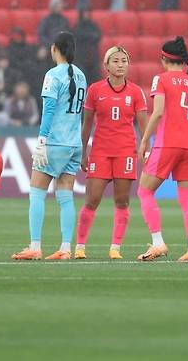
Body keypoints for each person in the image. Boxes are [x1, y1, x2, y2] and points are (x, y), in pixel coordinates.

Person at [136, 36, 188, 261]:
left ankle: (158, 243)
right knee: (186, 199)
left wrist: (144, 140)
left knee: (145, 191)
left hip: (167, 143)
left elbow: (158, 111)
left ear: (164, 59)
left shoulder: (160, 80)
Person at [11, 31, 87, 260]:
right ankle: (65, 248)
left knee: (37, 193)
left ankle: (35, 246)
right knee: (65, 196)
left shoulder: (53, 75)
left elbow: (49, 110)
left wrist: (42, 141)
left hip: (55, 142)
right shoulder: (81, 75)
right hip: (75, 143)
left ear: (54, 48)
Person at [75, 46, 147, 260]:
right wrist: (83, 152)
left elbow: (143, 124)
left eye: (124, 61)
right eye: (115, 61)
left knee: (122, 201)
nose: (120, 65)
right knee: (92, 199)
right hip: (100, 151)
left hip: (125, 151)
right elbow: (87, 124)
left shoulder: (135, 91)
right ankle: (79, 246)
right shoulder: (95, 90)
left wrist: (146, 147)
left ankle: (115, 247)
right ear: (106, 65)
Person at [72, 9, 101, 83]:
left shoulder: (93, 26)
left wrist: (85, 37)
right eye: (84, 13)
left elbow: (98, 36)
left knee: (96, 75)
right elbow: (77, 36)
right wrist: (89, 37)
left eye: (87, 13)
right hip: (81, 57)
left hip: (92, 57)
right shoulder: (77, 26)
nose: (86, 15)